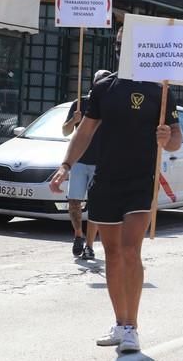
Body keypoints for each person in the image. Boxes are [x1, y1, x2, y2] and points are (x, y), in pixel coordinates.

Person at [49, 26, 182, 353]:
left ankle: (132, 328)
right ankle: (121, 323)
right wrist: (65, 166)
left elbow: (176, 140)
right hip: (106, 179)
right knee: (111, 254)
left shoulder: (160, 90)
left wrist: (167, 137)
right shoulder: (104, 88)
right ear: (119, 46)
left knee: (130, 249)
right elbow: (84, 132)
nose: (126, 47)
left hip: (140, 182)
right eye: (122, 42)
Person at [61, 69, 111, 259]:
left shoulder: (110, 105)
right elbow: (65, 132)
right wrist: (74, 120)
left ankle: (89, 246)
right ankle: (78, 235)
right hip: (80, 161)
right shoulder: (79, 104)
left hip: (101, 163)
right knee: (74, 201)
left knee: (96, 206)